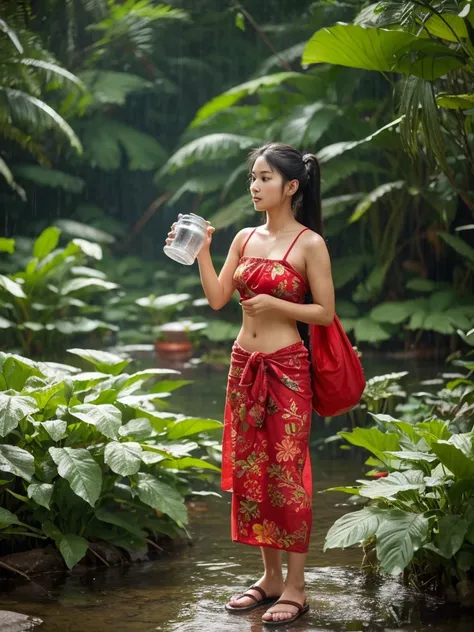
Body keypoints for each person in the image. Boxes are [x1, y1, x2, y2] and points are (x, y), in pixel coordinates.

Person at [166, 142, 335, 626]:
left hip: (286, 366)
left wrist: (278, 306)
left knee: (287, 474)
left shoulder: (309, 244)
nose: (255, 187)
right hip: (244, 365)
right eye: (253, 179)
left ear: (292, 186)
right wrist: (203, 252)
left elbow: (324, 313)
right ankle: (270, 578)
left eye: (264, 178)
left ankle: (297, 587)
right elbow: (220, 298)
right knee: (252, 471)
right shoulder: (243, 237)